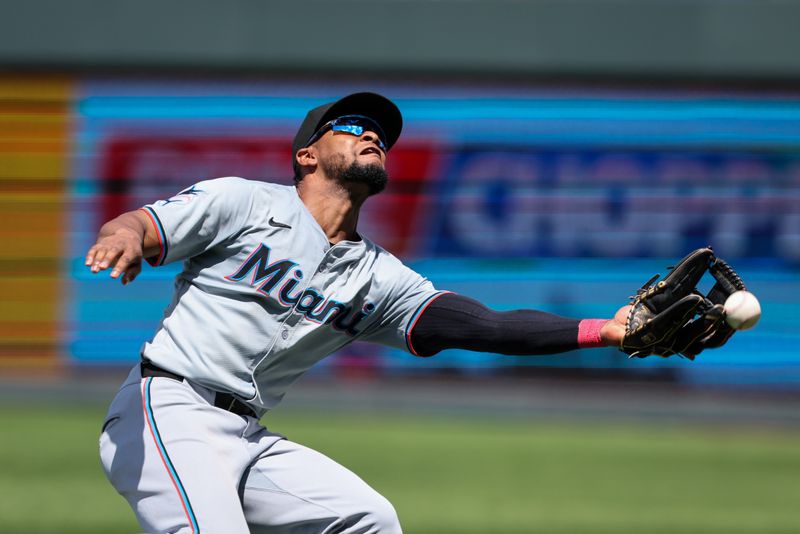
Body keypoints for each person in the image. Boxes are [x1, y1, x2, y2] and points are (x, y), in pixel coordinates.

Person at [89, 92, 630, 533]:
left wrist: (604, 331)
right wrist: (126, 238)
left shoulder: (379, 275)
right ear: (307, 155)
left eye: (381, 135)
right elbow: (135, 223)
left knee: (367, 519)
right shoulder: (243, 203)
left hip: (244, 434)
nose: (373, 136)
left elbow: (484, 326)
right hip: (168, 408)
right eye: (351, 126)